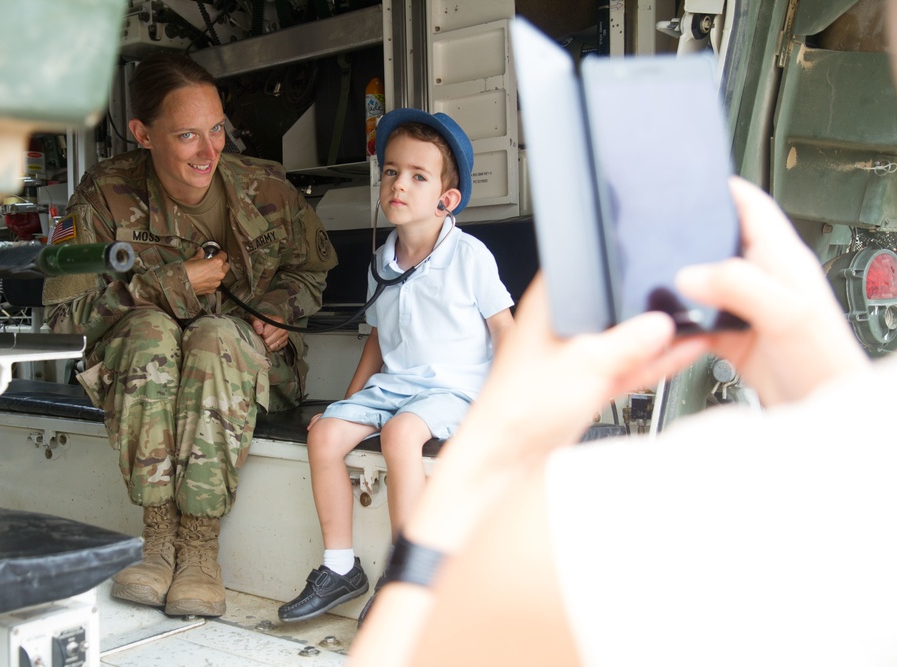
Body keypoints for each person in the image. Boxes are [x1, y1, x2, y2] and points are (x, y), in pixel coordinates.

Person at [348, 76, 897, 667]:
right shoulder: (863, 472)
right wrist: (834, 392)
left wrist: (493, 443)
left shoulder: (589, 516)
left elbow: (404, 652)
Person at [42, 53, 337, 618]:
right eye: (186, 136)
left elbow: (313, 270)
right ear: (142, 134)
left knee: (213, 339)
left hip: (246, 369)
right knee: (153, 331)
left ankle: (199, 550)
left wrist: (279, 308)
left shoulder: (265, 187)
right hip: (139, 372)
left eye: (217, 129)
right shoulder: (103, 195)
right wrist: (170, 284)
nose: (209, 151)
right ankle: (158, 543)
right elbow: (64, 318)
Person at [277, 109, 515, 623]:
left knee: (402, 435)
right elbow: (380, 341)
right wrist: (346, 402)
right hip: (392, 387)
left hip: (452, 390)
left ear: (445, 200)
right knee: (324, 435)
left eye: (417, 176)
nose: (398, 184)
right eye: (390, 171)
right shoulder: (382, 263)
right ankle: (341, 567)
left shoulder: (469, 256)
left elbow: (506, 333)